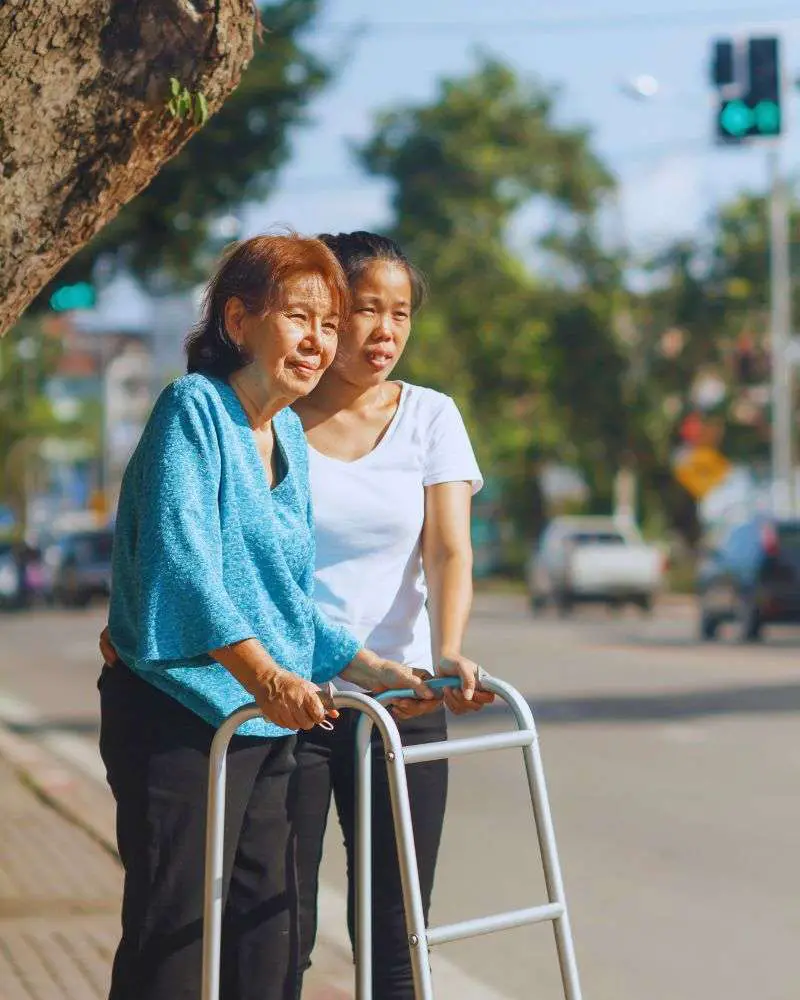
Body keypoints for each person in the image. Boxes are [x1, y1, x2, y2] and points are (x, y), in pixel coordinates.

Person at [97, 234, 432, 1000]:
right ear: (239, 322)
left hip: (261, 721)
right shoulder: (195, 410)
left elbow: (283, 597)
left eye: (328, 323)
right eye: (298, 318)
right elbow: (186, 569)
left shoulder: (286, 434)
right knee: (174, 936)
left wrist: (370, 667)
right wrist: (266, 673)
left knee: (269, 938)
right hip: (180, 717)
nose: (317, 341)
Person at [291, 231, 494, 1000]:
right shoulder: (274, 416)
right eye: (367, 309)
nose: (385, 332)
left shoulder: (430, 416)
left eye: (400, 314)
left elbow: (448, 551)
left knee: (397, 937)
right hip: (294, 701)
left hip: (402, 699)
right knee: (280, 929)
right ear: (326, 312)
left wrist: (447, 651)